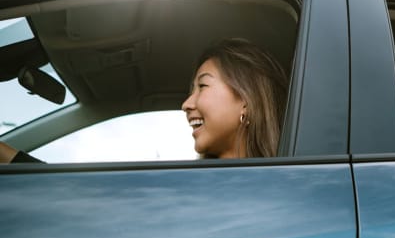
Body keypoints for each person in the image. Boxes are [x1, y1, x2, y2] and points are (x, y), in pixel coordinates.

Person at [1, 38, 288, 163]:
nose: (187, 104)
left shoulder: (263, 190)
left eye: (202, 86)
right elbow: (81, 200)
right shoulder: (202, 182)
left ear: (246, 102)